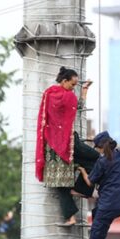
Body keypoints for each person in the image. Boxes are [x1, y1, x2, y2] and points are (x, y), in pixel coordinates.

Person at [35, 66, 92, 226]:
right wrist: (84, 91)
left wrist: (84, 90)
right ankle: (82, 190)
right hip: (66, 143)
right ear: (64, 81)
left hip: (52, 145)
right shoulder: (67, 97)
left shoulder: (49, 94)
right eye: (73, 84)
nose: (73, 87)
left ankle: (72, 214)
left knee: (60, 185)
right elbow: (77, 108)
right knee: (63, 183)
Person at [78, 131, 120, 239]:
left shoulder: (102, 162)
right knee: (96, 215)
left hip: (108, 204)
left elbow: (90, 182)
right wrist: (95, 139)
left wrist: (82, 171)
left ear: (100, 147)